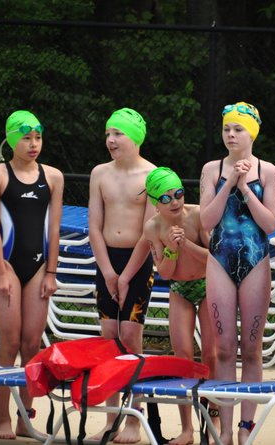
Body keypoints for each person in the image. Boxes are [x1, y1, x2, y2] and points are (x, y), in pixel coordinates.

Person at [199, 101, 275, 445]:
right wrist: (229, 180)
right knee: (223, 349)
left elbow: (269, 223)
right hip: (219, 259)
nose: (231, 135)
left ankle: (247, 429)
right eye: (226, 129)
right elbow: (206, 220)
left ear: (252, 133)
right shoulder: (212, 169)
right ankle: (225, 431)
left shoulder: (268, 172)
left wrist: (245, 187)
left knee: (250, 348)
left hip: (256, 261)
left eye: (238, 129)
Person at [0, 110, 63, 439]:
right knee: (10, 342)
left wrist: (51, 272)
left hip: (39, 266)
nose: (33, 144)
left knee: (32, 345)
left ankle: (24, 418)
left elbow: (54, 229)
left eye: (38, 137)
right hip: (9, 266)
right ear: (12, 139)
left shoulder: (54, 177)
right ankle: (2, 417)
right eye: (26, 138)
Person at [88, 107, 156, 444]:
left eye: (118, 134)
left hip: (138, 262)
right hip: (107, 262)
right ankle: (112, 418)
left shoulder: (152, 175)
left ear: (136, 138)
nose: (111, 140)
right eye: (108, 134)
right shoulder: (100, 173)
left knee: (130, 337)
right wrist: (108, 271)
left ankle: (134, 419)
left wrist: (126, 275)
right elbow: (94, 227)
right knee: (109, 337)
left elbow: (149, 231)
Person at [141, 166, 218, 445]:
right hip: (180, 289)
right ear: (154, 202)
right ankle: (187, 429)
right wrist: (172, 248)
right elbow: (166, 273)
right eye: (165, 198)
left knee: (211, 354)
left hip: (207, 286)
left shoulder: (197, 215)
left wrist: (185, 245)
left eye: (178, 194)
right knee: (183, 357)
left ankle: (213, 420)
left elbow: (214, 259)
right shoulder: (152, 227)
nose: (174, 201)